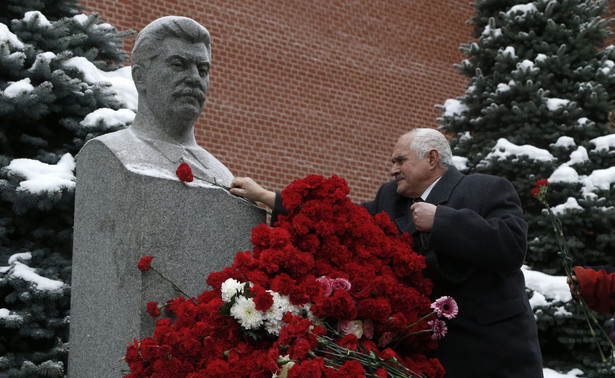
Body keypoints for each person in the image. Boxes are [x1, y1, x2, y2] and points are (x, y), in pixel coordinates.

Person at [230, 128, 544, 377]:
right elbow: (342, 215)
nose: (392, 169)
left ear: (432, 158)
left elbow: (512, 245)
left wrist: (441, 221)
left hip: (496, 354)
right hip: (432, 357)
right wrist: (269, 197)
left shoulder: (485, 188)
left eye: (399, 160)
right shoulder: (390, 200)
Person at [92, 16, 233, 186]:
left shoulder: (224, 178)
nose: (195, 78)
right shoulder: (109, 154)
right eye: (178, 65)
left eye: (202, 70)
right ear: (141, 76)